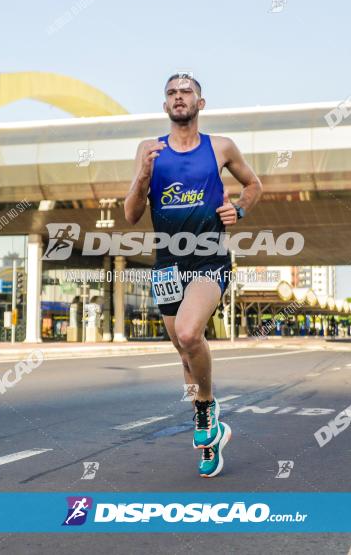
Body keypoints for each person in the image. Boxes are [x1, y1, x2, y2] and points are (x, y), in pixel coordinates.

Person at [124, 73, 262, 478]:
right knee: (185, 356)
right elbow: (132, 214)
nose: (178, 97)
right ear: (164, 105)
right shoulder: (149, 150)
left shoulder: (221, 147)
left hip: (208, 258)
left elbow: (253, 185)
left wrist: (239, 209)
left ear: (200, 103)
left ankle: (207, 412)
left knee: (188, 334)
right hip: (167, 263)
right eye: (171, 93)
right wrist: (143, 178)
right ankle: (210, 436)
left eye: (186, 92)